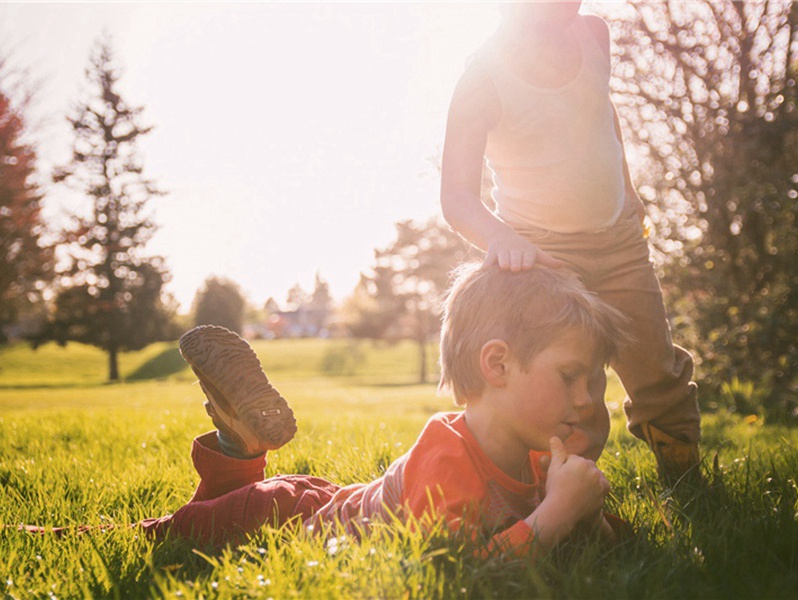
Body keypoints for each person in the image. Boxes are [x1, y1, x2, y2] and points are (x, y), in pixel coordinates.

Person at [17, 265, 630, 554]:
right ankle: (44, 537)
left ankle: (241, 448)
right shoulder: (448, 459)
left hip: (332, 498)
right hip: (281, 517)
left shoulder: (537, 456)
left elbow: (606, 554)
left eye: (593, 381)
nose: (588, 398)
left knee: (199, 528)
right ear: (497, 366)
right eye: (571, 376)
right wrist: (556, 515)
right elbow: (472, 580)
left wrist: (586, 512)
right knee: (168, 539)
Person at [439, 1, 701, 483]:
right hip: (542, 256)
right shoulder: (483, 77)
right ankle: (565, 492)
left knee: (656, 370)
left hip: (620, 243)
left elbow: (603, 115)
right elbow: (456, 196)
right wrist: (501, 238)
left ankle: (687, 484)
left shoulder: (594, 36)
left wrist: (630, 192)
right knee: (568, 385)